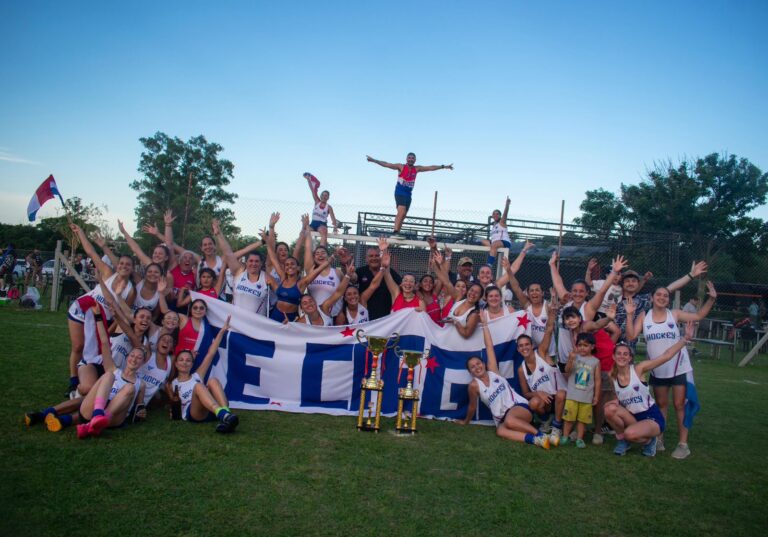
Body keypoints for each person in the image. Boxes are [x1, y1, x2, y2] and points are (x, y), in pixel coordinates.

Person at [624, 281, 717, 459]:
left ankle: (683, 444)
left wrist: (711, 299)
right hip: (658, 369)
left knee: (679, 404)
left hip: (678, 367)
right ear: (652, 298)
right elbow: (631, 335)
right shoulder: (645, 316)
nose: (662, 298)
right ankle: (659, 439)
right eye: (658, 295)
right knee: (661, 405)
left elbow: (698, 315)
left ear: (668, 300)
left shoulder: (674, 314)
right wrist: (630, 316)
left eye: (665, 296)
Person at [458, 311, 550, 449]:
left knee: (510, 420)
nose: (477, 367)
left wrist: (484, 325)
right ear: (470, 372)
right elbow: (472, 406)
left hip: (518, 407)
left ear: (483, 364)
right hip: (502, 418)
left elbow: (489, 347)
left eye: (478, 363)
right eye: (472, 367)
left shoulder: (493, 371)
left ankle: (540, 435)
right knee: (500, 431)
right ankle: (535, 440)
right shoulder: (474, 386)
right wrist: (465, 422)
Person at [606, 322, 695, 457]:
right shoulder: (611, 376)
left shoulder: (638, 369)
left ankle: (649, 441)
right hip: (633, 416)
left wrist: (685, 339)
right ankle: (623, 441)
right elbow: (616, 397)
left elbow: (666, 356)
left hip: (651, 418)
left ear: (630, 358)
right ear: (613, 356)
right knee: (608, 410)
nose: (622, 356)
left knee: (630, 433)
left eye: (625, 354)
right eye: (618, 354)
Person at [67, 223, 135, 396]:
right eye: (122, 263)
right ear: (117, 265)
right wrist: (80, 232)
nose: (124, 266)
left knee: (95, 352)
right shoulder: (107, 272)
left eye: (128, 264)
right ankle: (73, 381)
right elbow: (91, 252)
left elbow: (125, 314)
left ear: (132, 268)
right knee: (78, 346)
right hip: (83, 309)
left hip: (102, 320)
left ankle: (89, 380)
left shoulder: (130, 290)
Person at [170, 316, 238, 433]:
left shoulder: (197, 375)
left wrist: (222, 331)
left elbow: (211, 353)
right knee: (199, 386)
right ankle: (224, 415)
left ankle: (226, 415)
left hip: (211, 410)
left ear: (192, 364)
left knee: (213, 380)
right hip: (194, 412)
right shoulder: (172, 383)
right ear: (176, 364)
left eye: (188, 360)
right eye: (181, 360)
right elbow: (172, 403)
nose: (185, 362)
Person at [366, 152, 453, 238]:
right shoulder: (401, 166)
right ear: (406, 159)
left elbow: (430, 168)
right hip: (399, 192)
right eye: (409, 158)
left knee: (403, 215)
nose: (411, 159)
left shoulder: (417, 169)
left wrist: (443, 166)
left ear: (415, 160)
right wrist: (374, 160)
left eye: (413, 158)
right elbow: (386, 164)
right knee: (401, 211)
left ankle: (397, 233)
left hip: (408, 194)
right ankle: (395, 231)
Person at [517, 301, 565, 443]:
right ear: (518, 350)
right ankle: (545, 420)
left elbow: (549, 330)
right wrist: (538, 393)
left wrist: (552, 314)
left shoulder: (542, 353)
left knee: (561, 393)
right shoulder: (521, 369)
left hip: (560, 396)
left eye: (527, 345)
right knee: (533, 403)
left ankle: (557, 426)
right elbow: (526, 393)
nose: (524, 348)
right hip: (545, 400)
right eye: (521, 346)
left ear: (532, 345)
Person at [212, 219, 269, 316]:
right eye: (251, 261)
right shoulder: (239, 272)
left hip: (256, 326)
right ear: (246, 262)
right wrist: (218, 234)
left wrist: (269, 234)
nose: (253, 264)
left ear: (261, 264)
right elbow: (228, 253)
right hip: (237, 323)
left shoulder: (266, 278)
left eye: (256, 261)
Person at [560, 333, 601, 448]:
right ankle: (565, 436)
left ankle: (579, 438)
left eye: (585, 345)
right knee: (568, 418)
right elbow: (567, 371)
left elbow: (597, 381)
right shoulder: (574, 357)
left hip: (586, 397)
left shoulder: (595, 362)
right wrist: (571, 359)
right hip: (572, 395)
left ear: (592, 347)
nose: (582, 347)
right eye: (580, 345)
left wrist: (596, 396)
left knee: (582, 420)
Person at [355, 244, 402, 320]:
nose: (374, 258)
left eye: (377, 255)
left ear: (381, 257)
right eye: (371, 256)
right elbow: (352, 279)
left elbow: (402, 285)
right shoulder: (360, 271)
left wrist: (418, 291)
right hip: (366, 316)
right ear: (366, 259)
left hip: (386, 316)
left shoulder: (390, 272)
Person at [379, 239, 425, 313]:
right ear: (401, 283)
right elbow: (387, 274)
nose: (408, 283)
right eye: (405, 280)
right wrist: (384, 250)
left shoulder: (420, 301)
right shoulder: (396, 293)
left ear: (415, 285)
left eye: (411, 281)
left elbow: (423, 320)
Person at [305, 173, 339, 246]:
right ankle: (308, 251)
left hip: (321, 224)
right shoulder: (317, 202)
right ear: (320, 196)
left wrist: (335, 228)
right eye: (323, 195)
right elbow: (312, 190)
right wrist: (308, 180)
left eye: (326, 195)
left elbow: (333, 219)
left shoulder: (329, 207)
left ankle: (322, 249)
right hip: (313, 223)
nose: (324, 196)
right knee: (305, 230)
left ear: (328, 198)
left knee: (323, 231)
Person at [480, 196, 511, 267]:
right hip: (495, 242)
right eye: (494, 214)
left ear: (500, 215)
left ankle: (489, 264)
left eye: (497, 214)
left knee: (494, 245)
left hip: (504, 242)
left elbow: (505, 214)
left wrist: (507, 205)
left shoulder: (502, 222)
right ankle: (494, 251)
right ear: (492, 216)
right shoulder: (494, 226)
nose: (495, 215)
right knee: (482, 241)